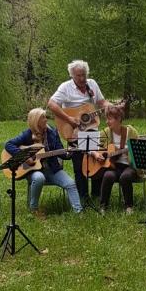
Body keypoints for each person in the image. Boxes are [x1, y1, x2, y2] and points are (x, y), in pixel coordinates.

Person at [4, 108, 82, 218]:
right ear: (36, 121)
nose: (46, 119)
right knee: (39, 178)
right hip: (33, 171)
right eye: (43, 117)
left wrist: (70, 152)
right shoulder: (27, 134)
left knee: (70, 183)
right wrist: (26, 157)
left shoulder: (53, 133)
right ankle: (34, 209)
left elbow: (61, 153)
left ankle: (78, 212)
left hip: (52, 169)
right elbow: (8, 145)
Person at [47, 60, 107, 201]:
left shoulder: (91, 84)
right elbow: (51, 104)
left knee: (95, 160)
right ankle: (83, 196)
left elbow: (102, 103)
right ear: (72, 76)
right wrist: (69, 119)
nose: (82, 78)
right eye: (79, 75)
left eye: (84, 75)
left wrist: (112, 106)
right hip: (73, 130)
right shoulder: (65, 87)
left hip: (91, 128)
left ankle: (96, 195)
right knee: (79, 163)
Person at [91, 103, 140, 215]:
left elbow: (138, 150)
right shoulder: (105, 132)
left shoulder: (130, 131)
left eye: (110, 119)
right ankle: (103, 207)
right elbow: (94, 148)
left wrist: (130, 151)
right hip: (113, 165)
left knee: (125, 177)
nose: (107, 122)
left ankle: (129, 206)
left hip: (129, 166)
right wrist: (96, 154)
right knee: (108, 175)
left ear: (118, 119)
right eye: (106, 119)